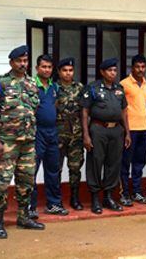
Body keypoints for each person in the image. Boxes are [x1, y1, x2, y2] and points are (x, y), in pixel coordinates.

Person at [0, 45, 45, 238]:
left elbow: (33, 109)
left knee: (26, 182)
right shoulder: (0, 82)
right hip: (6, 143)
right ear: (11, 62)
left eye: (25, 61)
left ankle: (23, 217)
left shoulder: (32, 83)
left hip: (27, 143)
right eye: (19, 61)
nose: (23, 64)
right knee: (2, 183)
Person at [80, 58, 131, 214]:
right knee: (96, 162)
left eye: (114, 70)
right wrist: (86, 135)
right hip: (98, 129)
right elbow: (84, 112)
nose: (112, 73)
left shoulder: (119, 88)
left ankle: (108, 197)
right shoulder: (93, 88)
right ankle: (95, 199)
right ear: (102, 72)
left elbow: (124, 112)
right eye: (109, 70)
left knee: (113, 163)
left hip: (116, 130)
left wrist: (127, 132)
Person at [29, 55, 68, 218]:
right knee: (32, 169)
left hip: (52, 132)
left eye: (49, 67)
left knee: (53, 169)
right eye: (43, 67)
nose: (46, 70)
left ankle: (53, 204)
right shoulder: (31, 86)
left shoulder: (54, 87)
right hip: (37, 132)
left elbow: (55, 107)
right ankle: (31, 206)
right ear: (37, 68)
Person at [119, 55, 146, 206]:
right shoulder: (124, 84)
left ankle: (137, 192)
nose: (140, 70)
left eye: (143, 67)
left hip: (144, 128)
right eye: (137, 67)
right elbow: (120, 109)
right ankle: (124, 193)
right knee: (125, 163)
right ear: (132, 68)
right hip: (129, 130)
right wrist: (125, 131)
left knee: (139, 163)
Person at [55, 57, 85, 211]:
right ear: (59, 72)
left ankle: (75, 198)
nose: (68, 73)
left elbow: (84, 112)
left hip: (76, 135)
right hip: (59, 135)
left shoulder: (80, 88)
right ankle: (56, 200)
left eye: (70, 70)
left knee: (75, 168)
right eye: (65, 70)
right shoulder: (54, 88)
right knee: (57, 168)